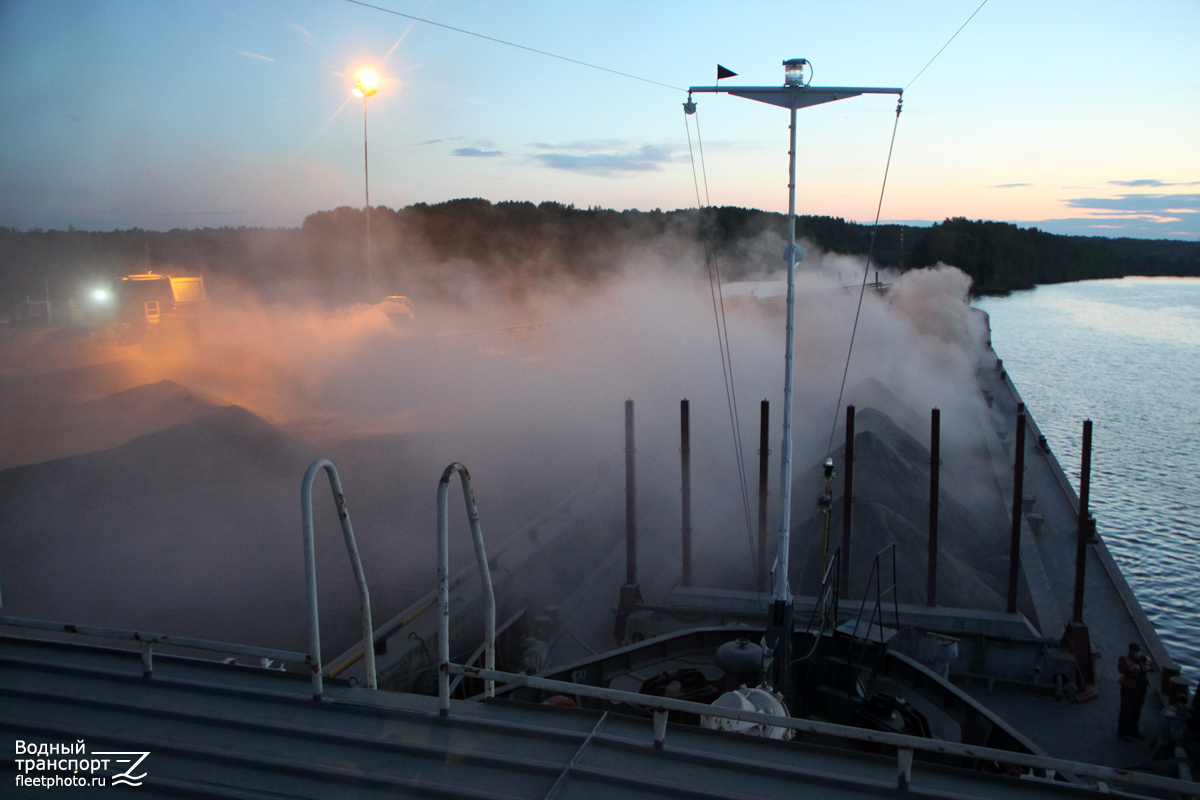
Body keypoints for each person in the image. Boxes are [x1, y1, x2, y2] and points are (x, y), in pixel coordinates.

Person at [1117, 642, 1155, 741]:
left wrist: (1149, 668)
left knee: (1137, 711)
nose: (1138, 653)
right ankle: (1122, 732)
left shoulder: (1143, 659)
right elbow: (1121, 669)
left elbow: (1152, 667)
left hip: (1141, 688)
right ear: (1131, 651)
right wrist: (1132, 667)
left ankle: (1133, 730)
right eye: (1135, 652)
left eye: (1138, 651)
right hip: (1128, 689)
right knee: (1126, 711)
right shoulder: (1123, 659)